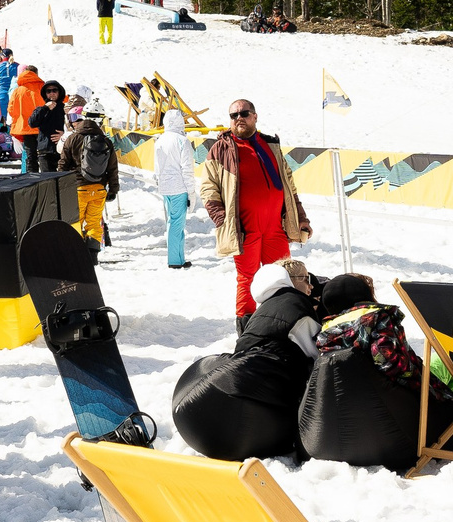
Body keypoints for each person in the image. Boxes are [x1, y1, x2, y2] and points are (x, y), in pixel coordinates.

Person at [171, 260, 320, 461]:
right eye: (306, 278)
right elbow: (317, 355)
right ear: (290, 281)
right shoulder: (296, 304)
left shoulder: (261, 312)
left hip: (191, 409)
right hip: (242, 411)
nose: (311, 285)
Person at [197, 97, 312, 322]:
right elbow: (208, 189)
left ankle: (281, 322)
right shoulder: (220, 149)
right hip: (245, 229)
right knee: (247, 278)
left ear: (255, 116)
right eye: (233, 115)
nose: (239, 118)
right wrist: (222, 220)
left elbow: (289, 185)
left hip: (275, 228)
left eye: (244, 113)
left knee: (282, 276)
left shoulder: (271, 145)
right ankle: (247, 328)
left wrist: (301, 216)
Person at [296, 273, 421, 472]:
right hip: (386, 436)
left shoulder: (326, 331)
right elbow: (391, 364)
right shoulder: (378, 317)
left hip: (329, 436)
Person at [63, 106, 118, 243]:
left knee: (76, 223)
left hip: (78, 188)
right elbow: (112, 168)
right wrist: (113, 189)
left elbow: (62, 165)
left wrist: (61, 188)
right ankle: (93, 257)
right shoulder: (106, 141)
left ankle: (77, 256)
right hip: (99, 188)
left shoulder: (72, 139)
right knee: (93, 223)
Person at [153, 107, 197, 268]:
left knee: (174, 222)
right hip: (179, 186)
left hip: (165, 187)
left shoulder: (160, 139)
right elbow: (187, 168)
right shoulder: (182, 140)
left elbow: (156, 167)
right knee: (177, 224)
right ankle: (174, 260)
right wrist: (191, 191)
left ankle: (179, 258)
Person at [25, 80, 68, 174]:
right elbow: (32, 123)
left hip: (63, 150)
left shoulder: (66, 109)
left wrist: (64, 135)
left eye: (54, 90)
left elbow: (75, 127)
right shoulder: (41, 109)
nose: (52, 93)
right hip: (45, 151)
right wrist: (45, 108)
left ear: (59, 92)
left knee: (64, 182)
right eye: (48, 91)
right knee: (48, 182)